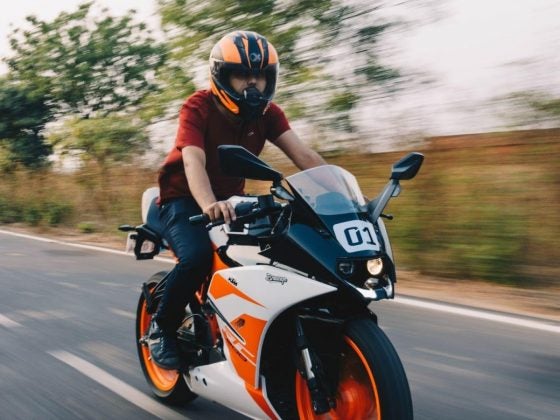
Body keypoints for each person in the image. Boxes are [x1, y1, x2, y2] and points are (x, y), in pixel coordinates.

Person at [149, 30, 326, 369]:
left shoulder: (269, 114)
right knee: (197, 257)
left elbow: (303, 154)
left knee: (277, 252)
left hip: (232, 200)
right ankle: (162, 328)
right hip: (182, 199)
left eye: (260, 75)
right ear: (222, 76)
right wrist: (208, 204)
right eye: (242, 74)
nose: (253, 83)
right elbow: (193, 161)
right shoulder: (197, 107)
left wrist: (342, 194)